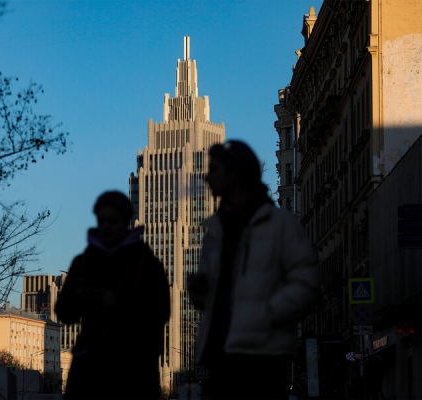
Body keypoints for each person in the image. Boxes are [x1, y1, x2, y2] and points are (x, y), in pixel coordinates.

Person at [188, 140, 319, 400]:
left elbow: (307, 283)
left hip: (263, 358)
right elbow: (218, 296)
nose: (207, 176)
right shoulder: (215, 229)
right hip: (219, 356)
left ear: (235, 174)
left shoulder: (279, 223)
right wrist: (200, 293)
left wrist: (267, 314)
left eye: (214, 169)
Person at [56, 190, 170, 400]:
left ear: (126, 221)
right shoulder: (83, 263)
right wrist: (80, 299)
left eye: (113, 221)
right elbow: (64, 312)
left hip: (133, 370)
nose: (106, 227)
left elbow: (161, 311)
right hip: (89, 370)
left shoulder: (146, 264)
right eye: (102, 221)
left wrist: (116, 302)